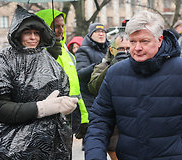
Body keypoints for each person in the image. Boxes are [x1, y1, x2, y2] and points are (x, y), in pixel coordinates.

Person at [84, 10, 182, 160]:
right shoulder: (115, 74)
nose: (137, 48)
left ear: (159, 40)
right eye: (133, 41)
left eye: (144, 41)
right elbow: (99, 122)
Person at [0, 5, 78, 159]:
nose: (33, 37)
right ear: (18, 34)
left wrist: (64, 106)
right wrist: (41, 108)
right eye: (27, 33)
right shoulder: (1, 60)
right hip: (8, 145)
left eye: (36, 33)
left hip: (49, 146)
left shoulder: (50, 62)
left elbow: (62, 91)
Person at [36, 9, 89, 139]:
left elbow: (76, 91)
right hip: (46, 121)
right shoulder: (34, 53)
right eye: (56, 26)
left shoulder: (68, 55)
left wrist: (84, 117)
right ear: (44, 28)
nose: (61, 30)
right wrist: (47, 55)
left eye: (62, 26)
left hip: (69, 117)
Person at [88, 32, 130, 160]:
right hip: (115, 133)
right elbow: (94, 87)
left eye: (128, 48)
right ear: (112, 50)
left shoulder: (138, 66)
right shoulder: (103, 67)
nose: (126, 52)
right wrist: (113, 67)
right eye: (121, 49)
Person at [75, 23, 109, 111]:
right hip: (90, 99)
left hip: (107, 96)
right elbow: (80, 74)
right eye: (97, 31)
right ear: (90, 34)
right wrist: (99, 65)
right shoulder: (83, 50)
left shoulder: (111, 49)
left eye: (103, 32)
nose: (101, 34)